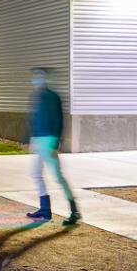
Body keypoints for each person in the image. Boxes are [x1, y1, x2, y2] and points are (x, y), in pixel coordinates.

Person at [24, 67, 80, 225]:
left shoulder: (52, 97)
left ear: (45, 79)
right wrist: (30, 140)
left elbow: (59, 120)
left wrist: (56, 142)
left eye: (39, 77)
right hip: (40, 140)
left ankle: (74, 210)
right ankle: (45, 210)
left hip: (48, 141)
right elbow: (33, 120)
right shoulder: (37, 96)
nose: (36, 80)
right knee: (36, 174)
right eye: (35, 77)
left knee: (57, 176)